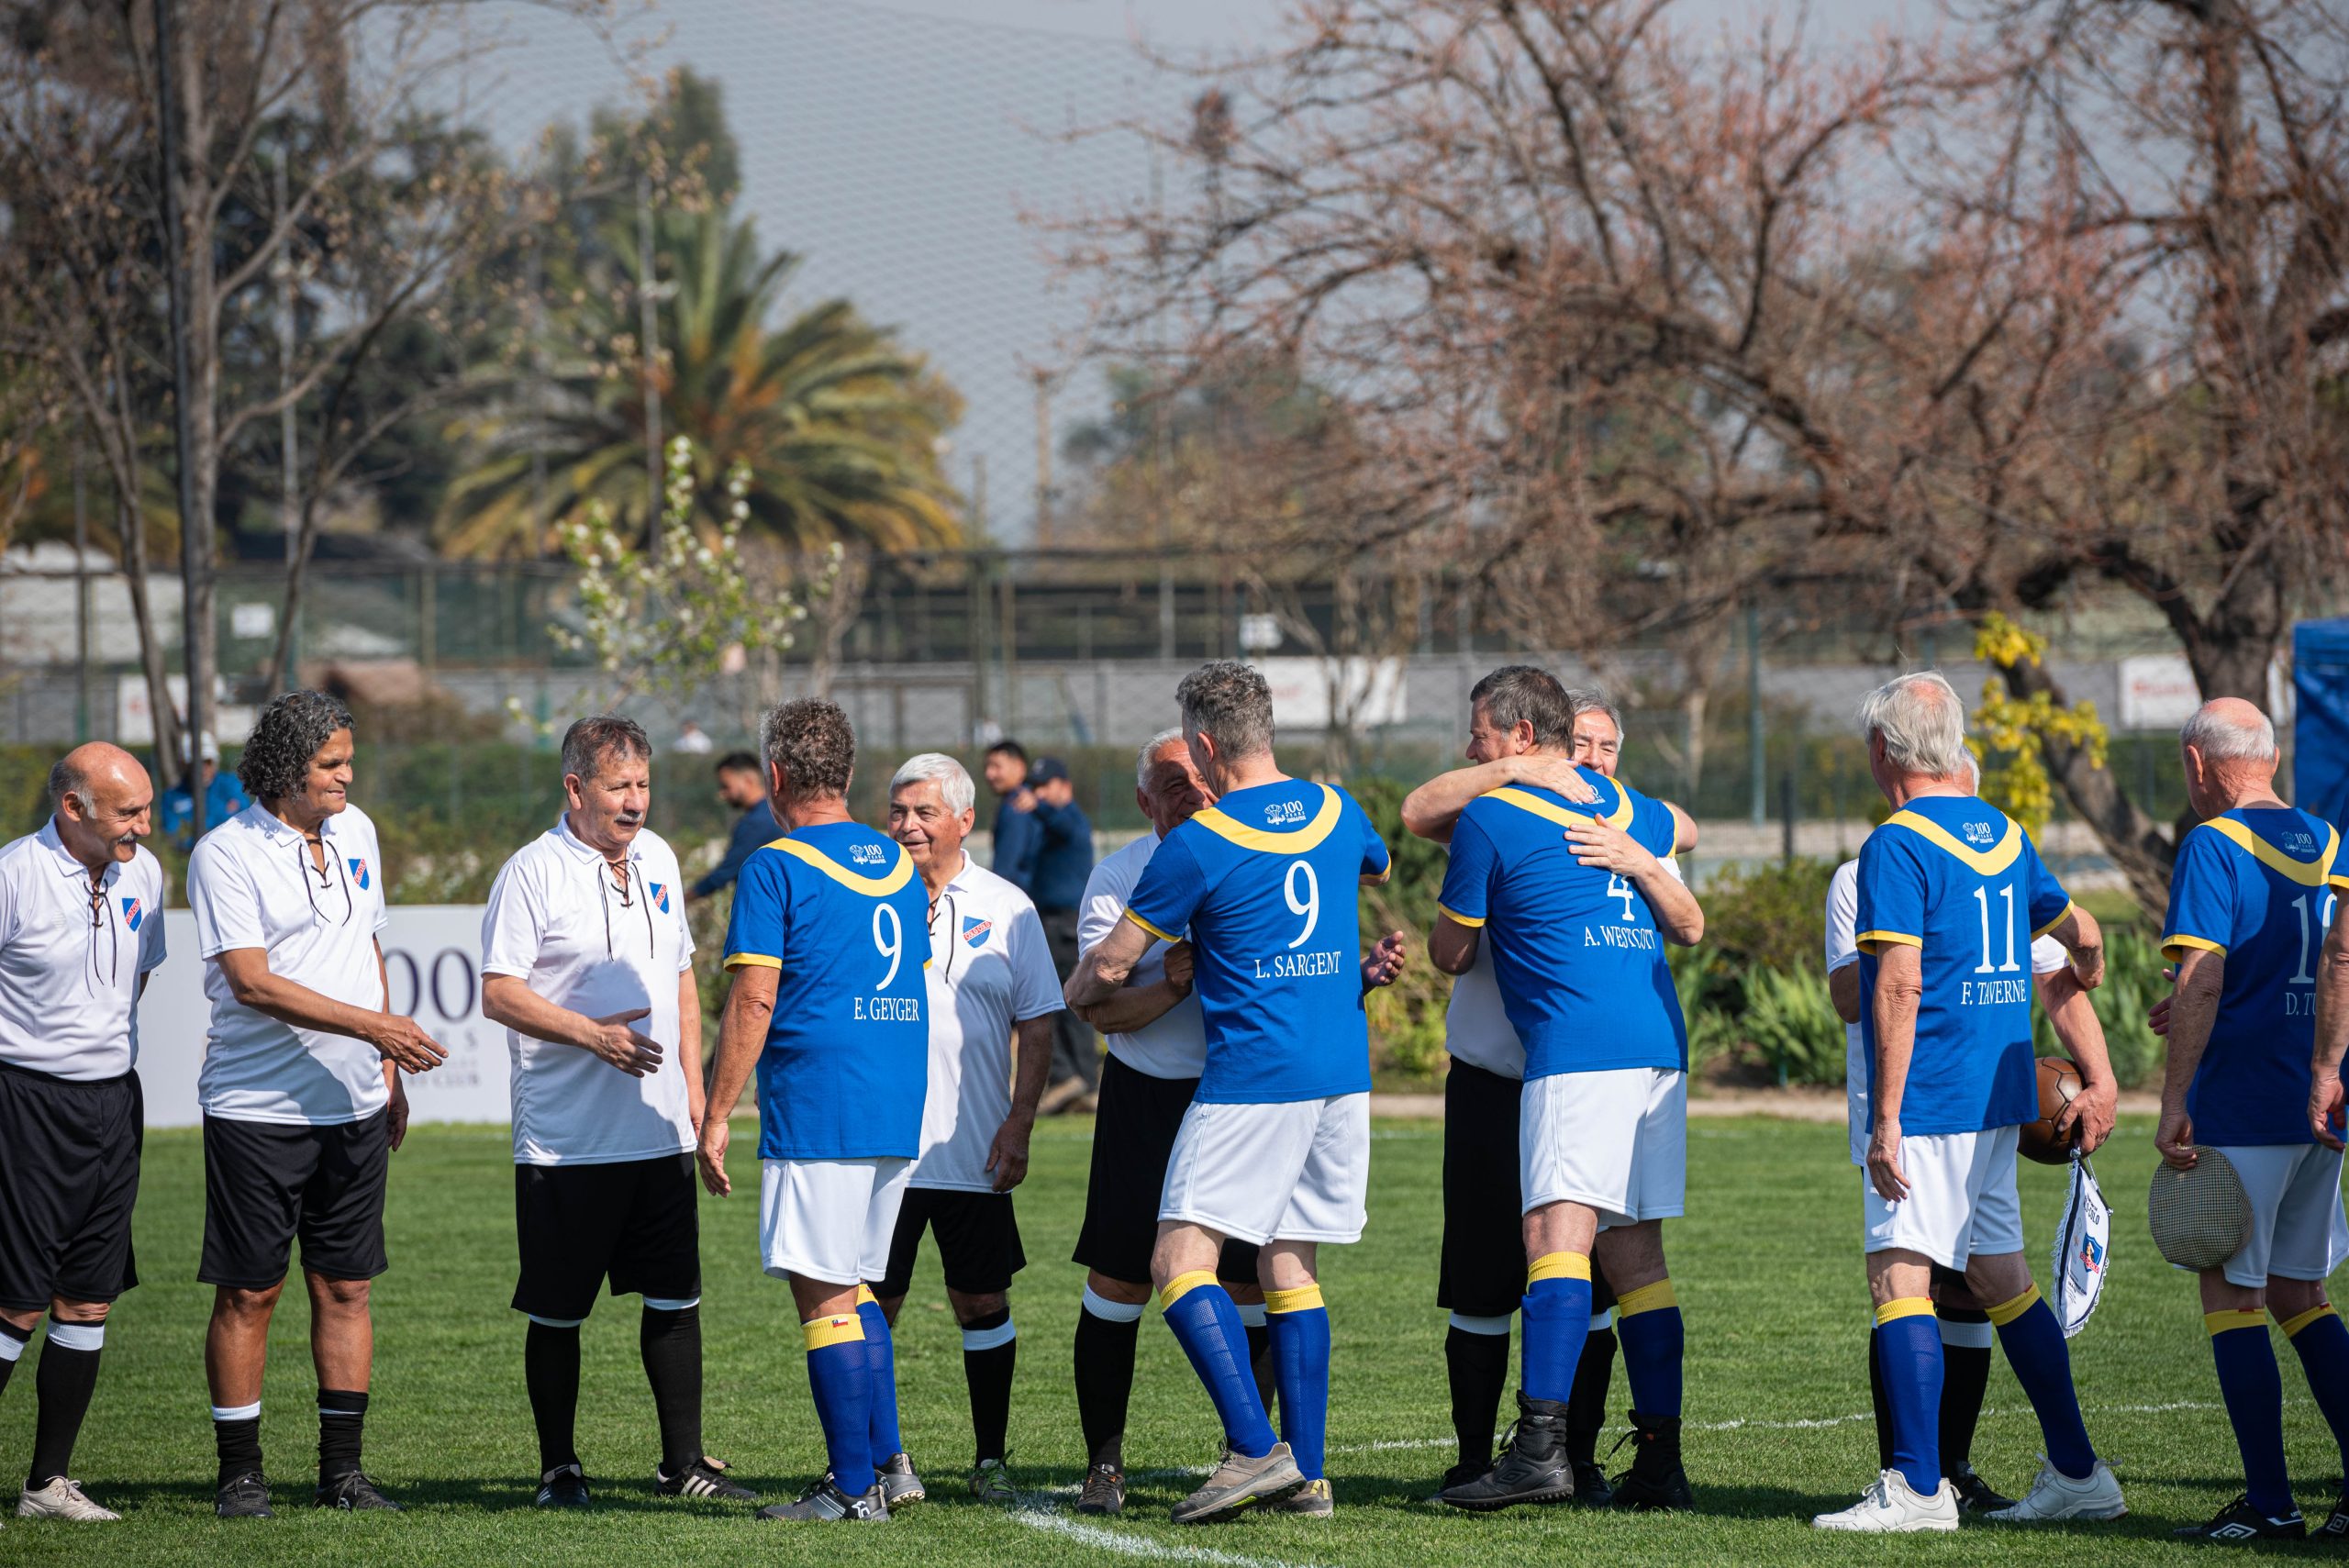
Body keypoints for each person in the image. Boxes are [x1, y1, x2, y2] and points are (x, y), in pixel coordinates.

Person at [1067, 662, 1408, 1524]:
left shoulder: (1199, 843)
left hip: (1254, 1075)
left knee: (1177, 1260)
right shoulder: (1337, 806)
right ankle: (1311, 1479)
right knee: (1290, 1265)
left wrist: (1080, 986)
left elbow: (1112, 965)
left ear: (1207, 744)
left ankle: (1255, 1449)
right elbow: (1376, 867)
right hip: (1341, 1074)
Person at [1812, 671, 2122, 1532]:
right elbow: (2083, 932)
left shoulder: (1896, 842)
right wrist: (2092, 965)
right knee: (1998, 1277)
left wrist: (1885, 1119)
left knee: (1899, 1274)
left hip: (1934, 1094)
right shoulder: (2005, 831)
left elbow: (1898, 985)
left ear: (1883, 750)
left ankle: (1917, 1487)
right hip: (1998, 1094)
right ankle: (2079, 1472)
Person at [1401, 681, 1696, 1502]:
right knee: (1636, 1257)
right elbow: (1684, 829)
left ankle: (1539, 1450)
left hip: (1577, 1043)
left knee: (1552, 1236)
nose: (1471, 750)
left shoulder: (1494, 816)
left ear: (1523, 734)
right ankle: (1660, 1462)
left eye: (1479, 735)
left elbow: (1450, 953)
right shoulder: (1628, 808)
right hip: (1658, 1044)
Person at [478, 716, 753, 1511]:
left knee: (676, 1299)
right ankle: (559, 1468)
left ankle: (683, 1462)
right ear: (575, 787)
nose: (635, 801)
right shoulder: (531, 872)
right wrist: (592, 1035)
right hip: (566, 1143)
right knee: (558, 1313)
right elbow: (498, 992)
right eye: (618, 786)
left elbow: (682, 982)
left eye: (643, 785)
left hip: (658, 1135)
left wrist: (698, 1097)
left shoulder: (658, 856)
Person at [186, 690, 448, 1518]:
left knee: (346, 1289)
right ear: (284, 767)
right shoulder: (225, 852)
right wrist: (377, 1026)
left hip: (354, 1104)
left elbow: (368, 947)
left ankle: (343, 1474)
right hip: (257, 1108)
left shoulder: (357, 831)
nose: (346, 777)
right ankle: (240, 1474)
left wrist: (387, 1067)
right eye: (331, 764)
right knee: (249, 1293)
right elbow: (252, 982)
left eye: (348, 761)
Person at [697, 699, 932, 1523]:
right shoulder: (897, 860)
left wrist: (717, 1111)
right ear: (849, 772)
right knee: (856, 1285)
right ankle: (888, 1468)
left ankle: (849, 1488)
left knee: (825, 1296)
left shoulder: (774, 864)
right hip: (894, 1097)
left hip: (821, 1100)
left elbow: (754, 998)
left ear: (775, 776)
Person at [1064, 729, 1276, 1518]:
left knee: (1249, 1278)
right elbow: (1094, 1007)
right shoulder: (1118, 876)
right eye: (1170, 781)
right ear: (1143, 799)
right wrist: (1170, 985)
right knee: (1117, 1282)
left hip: (1239, 1093)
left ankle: (1248, 1453)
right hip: (1146, 1096)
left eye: (1198, 775)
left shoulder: (1250, 851)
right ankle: (1104, 1466)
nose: (1191, 791)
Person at [2157, 699, 2349, 1540]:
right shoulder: (2331, 840)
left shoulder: (2214, 841)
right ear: (2268, 757)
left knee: (2232, 1294)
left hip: (2242, 1100)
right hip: (2321, 1102)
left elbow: (2203, 975)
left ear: (2200, 765)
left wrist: (2173, 1099)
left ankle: (2271, 1504)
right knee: (2301, 1291)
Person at [871, 754, 1061, 1506]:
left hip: (974, 1147)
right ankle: (885, 1459)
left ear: (964, 820)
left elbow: (1038, 1020)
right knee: (873, 1303)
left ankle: (990, 1460)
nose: (907, 825)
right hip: (881, 1147)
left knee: (982, 1303)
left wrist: (1020, 1121)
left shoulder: (1009, 906)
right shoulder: (865, 898)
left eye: (923, 811)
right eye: (898, 811)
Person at [0, 745, 165, 1521]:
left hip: (114, 1105)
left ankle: (47, 1485)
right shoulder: (13, 875)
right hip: (24, 1103)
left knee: (88, 1300)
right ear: (73, 808)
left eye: (147, 807)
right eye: (129, 811)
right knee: (16, 1303)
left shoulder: (146, 874)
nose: (145, 826)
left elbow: (138, 979)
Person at [1017, 757, 1100, 1113]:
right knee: (1066, 1002)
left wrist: (1037, 807)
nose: (1037, 794)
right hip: (1055, 921)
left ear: (1065, 786)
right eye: (1034, 788)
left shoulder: (1069, 819)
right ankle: (1080, 1080)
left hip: (1062, 923)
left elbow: (1062, 824)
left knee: (1060, 1002)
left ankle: (1072, 1077)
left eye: (1044, 786)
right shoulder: (1049, 825)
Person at [685, 752, 776, 906]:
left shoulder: (755, 823)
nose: (722, 794)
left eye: (726, 786)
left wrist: (683, 900)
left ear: (748, 780)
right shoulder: (776, 813)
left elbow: (725, 873)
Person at [161, 734, 251, 851]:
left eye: (207, 761)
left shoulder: (231, 785)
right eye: (196, 763)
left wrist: (199, 831)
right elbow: (174, 836)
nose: (203, 768)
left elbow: (244, 822)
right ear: (185, 764)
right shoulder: (172, 796)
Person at [982, 740, 1039, 896]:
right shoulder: (1031, 799)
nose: (989, 774)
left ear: (1019, 767)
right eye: (987, 767)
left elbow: (1005, 870)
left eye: (996, 766)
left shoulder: (1017, 806)